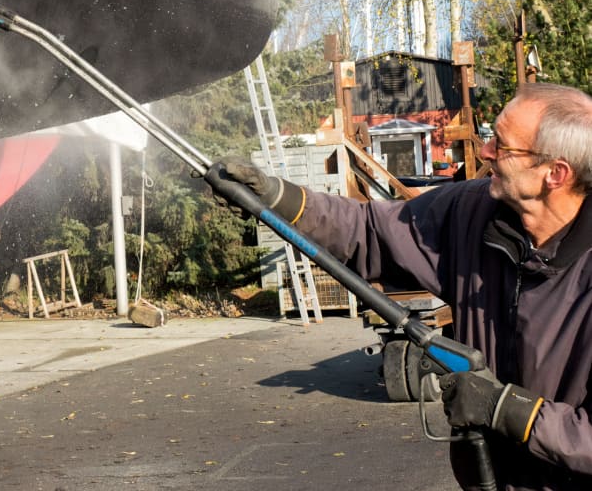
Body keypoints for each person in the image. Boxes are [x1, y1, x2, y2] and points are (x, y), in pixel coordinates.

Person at [210, 82, 592, 491]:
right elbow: (372, 231)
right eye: (490, 138)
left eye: (502, 146)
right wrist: (278, 197)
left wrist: (508, 411)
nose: (485, 153)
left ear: (556, 173)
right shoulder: (472, 212)